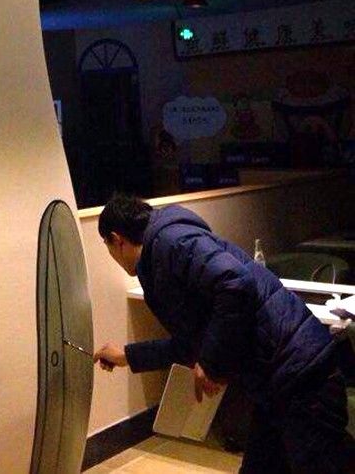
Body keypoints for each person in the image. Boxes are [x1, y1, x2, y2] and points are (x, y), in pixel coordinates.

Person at [93, 194, 355, 473]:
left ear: (116, 239)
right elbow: (192, 342)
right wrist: (127, 356)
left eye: (107, 247)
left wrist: (210, 362)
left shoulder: (172, 243)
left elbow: (235, 283)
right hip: (277, 378)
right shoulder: (163, 251)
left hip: (300, 373)